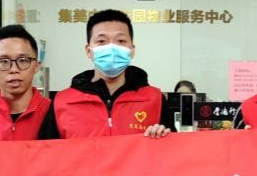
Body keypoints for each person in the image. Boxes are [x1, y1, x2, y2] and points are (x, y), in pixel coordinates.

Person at [39, 8, 171, 138]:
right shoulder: (62, 102)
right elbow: (47, 150)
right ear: (89, 51)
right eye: (101, 41)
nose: (111, 48)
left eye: (121, 41)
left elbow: (173, 149)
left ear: (132, 50)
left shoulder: (155, 100)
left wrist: (163, 138)